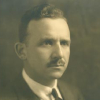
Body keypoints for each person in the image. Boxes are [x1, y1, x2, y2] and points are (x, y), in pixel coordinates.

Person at [1, 3, 84, 100]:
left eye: (64, 43)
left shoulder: (73, 94)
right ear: (22, 51)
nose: (59, 54)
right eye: (47, 43)